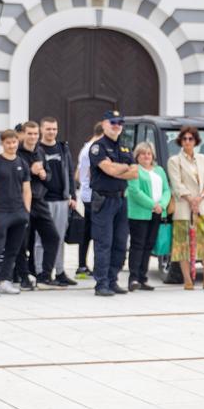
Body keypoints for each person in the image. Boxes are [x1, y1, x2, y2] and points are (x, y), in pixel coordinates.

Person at [87, 111, 140, 298]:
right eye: (113, 122)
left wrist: (118, 168)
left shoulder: (124, 147)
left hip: (121, 199)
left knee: (120, 243)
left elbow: (135, 173)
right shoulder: (97, 147)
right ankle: (101, 283)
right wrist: (123, 167)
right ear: (104, 124)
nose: (117, 125)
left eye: (120, 122)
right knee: (104, 243)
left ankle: (112, 280)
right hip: (103, 200)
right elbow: (108, 169)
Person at [167, 124, 204, 290]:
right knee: (182, 243)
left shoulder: (203, 159)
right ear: (180, 141)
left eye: (190, 138)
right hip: (183, 207)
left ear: (196, 141)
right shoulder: (174, 161)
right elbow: (177, 185)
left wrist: (200, 198)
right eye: (184, 138)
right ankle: (187, 280)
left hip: (202, 207)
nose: (187, 141)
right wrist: (191, 200)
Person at [0, 129, 31, 297]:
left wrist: (26, 212)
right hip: (0, 214)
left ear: (18, 142)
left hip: (19, 214)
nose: (11, 145)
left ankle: (5, 281)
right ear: (2, 143)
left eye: (14, 142)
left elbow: (27, 190)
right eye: (8, 143)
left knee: (12, 250)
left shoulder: (22, 163)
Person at [13, 122, 61, 291]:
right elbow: (13, 176)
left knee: (53, 237)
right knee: (21, 242)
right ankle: (24, 276)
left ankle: (45, 276)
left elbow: (49, 176)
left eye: (35, 134)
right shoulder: (17, 152)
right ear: (23, 134)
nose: (33, 137)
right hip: (22, 202)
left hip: (39, 201)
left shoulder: (40, 151)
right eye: (30, 133)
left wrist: (43, 174)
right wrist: (30, 170)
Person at [36, 117, 77, 287]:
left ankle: (59, 272)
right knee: (41, 239)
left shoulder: (62, 148)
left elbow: (69, 172)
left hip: (61, 200)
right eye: (48, 129)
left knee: (59, 238)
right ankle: (40, 272)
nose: (51, 132)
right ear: (41, 129)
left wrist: (72, 195)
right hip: (43, 200)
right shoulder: (37, 149)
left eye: (54, 129)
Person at [126, 141, 171, 292]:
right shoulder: (135, 170)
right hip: (139, 214)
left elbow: (167, 190)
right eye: (143, 154)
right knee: (137, 245)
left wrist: (162, 205)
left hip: (157, 213)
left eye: (149, 154)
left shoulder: (160, 170)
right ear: (137, 156)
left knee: (149, 246)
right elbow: (134, 191)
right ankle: (133, 278)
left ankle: (142, 278)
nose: (146, 156)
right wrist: (153, 204)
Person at [73, 121, 101, 279]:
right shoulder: (94, 149)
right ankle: (91, 265)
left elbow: (78, 175)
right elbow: (91, 172)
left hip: (86, 193)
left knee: (87, 231)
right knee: (96, 231)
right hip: (92, 194)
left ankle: (82, 264)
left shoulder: (86, 147)